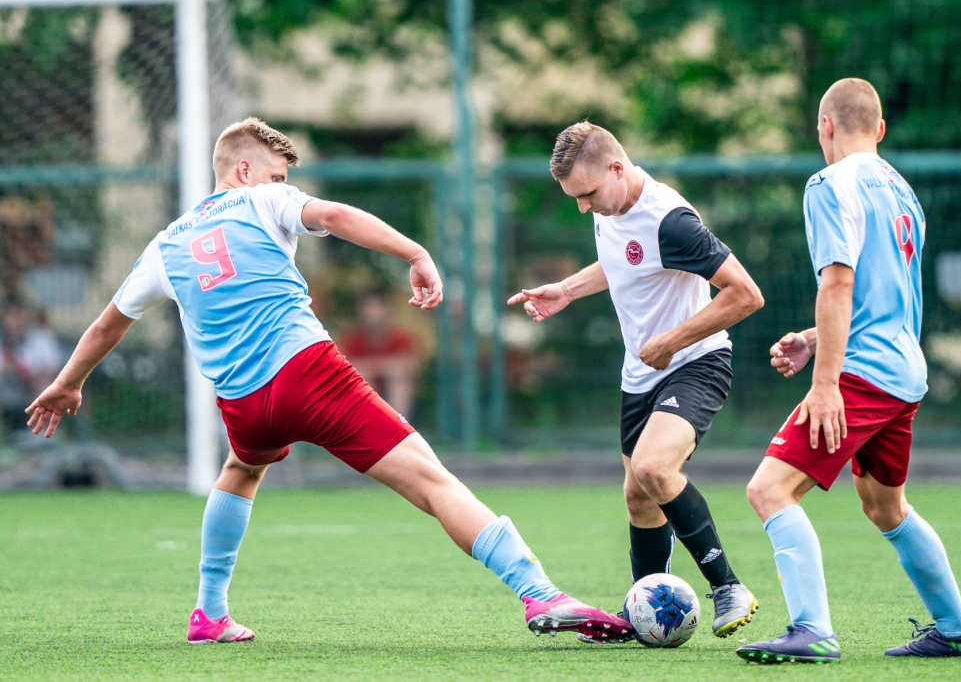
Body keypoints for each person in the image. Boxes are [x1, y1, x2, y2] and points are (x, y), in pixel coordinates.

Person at [25, 117, 631, 645]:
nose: (285, 189)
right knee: (430, 479)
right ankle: (540, 593)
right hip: (306, 372)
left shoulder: (164, 245)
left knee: (241, 470)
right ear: (243, 169)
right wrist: (415, 252)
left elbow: (107, 325)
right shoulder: (259, 200)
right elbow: (336, 216)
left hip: (241, 403)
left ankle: (210, 613)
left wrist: (67, 383)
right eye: (279, 177)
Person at [737, 79, 961, 664]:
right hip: (903, 373)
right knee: (885, 507)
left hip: (862, 376)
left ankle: (811, 631)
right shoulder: (903, 191)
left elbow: (840, 282)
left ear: (824, 126)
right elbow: (884, 298)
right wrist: (814, 339)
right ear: (880, 130)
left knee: (769, 490)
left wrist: (824, 383)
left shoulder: (829, 183)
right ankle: (954, 630)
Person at [508, 121, 764, 640]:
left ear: (617, 168)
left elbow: (746, 295)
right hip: (641, 374)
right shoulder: (612, 205)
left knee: (653, 467)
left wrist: (673, 340)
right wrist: (567, 289)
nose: (583, 207)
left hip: (696, 362)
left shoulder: (671, 220)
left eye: (587, 194)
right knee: (638, 497)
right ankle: (646, 613)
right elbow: (623, 259)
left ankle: (728, 586)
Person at [338, 292, 421, 418]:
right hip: (362, 393)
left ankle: (398, 427)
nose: (374, 313)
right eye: (370, 307)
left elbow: (411, 366)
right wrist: (385, 366)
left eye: (378, 307)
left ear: (387, 310)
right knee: (363, 376)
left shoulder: (401, 339)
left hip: (392, 392)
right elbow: (344, 369)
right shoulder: (352, 340)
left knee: (400, 382)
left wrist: (375, 366)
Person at [1, 302, 62, 434]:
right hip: (7, 390)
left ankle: (41, 432)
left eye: (18, 316)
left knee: (46, 385)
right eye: (11, 317)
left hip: (35, 388)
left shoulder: (42, 338)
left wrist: (35, 378)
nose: (15, 322)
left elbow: (53, 368)